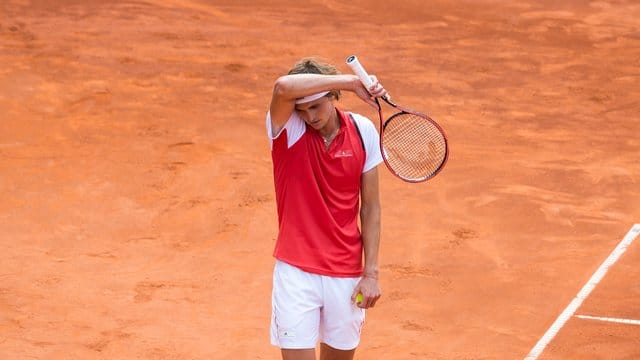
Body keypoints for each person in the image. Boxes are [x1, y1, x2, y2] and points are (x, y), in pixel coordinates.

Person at [266, 57, 388, 360]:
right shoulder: (287, 130)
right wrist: (350, 82)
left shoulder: (363, 131)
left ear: (333, 99)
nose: (309, 116)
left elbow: (371, 206)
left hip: (345, 273)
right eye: (302, 108)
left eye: (316, 106)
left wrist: (370, 273)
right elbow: (282, 87)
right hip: (296, 273)